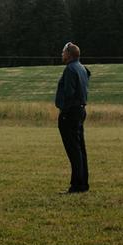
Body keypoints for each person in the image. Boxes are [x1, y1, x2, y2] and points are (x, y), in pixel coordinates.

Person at [54, 41, 90, 193]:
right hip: (80, 111)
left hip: (70, 113)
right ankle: (83, 183)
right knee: (80, 149)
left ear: (69, 54)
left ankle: (77, 185)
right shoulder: (82, 68)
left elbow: (68, 92)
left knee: (73, 150)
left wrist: (63, 109)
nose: (61, 55)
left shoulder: (70, 69)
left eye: (63, 52)